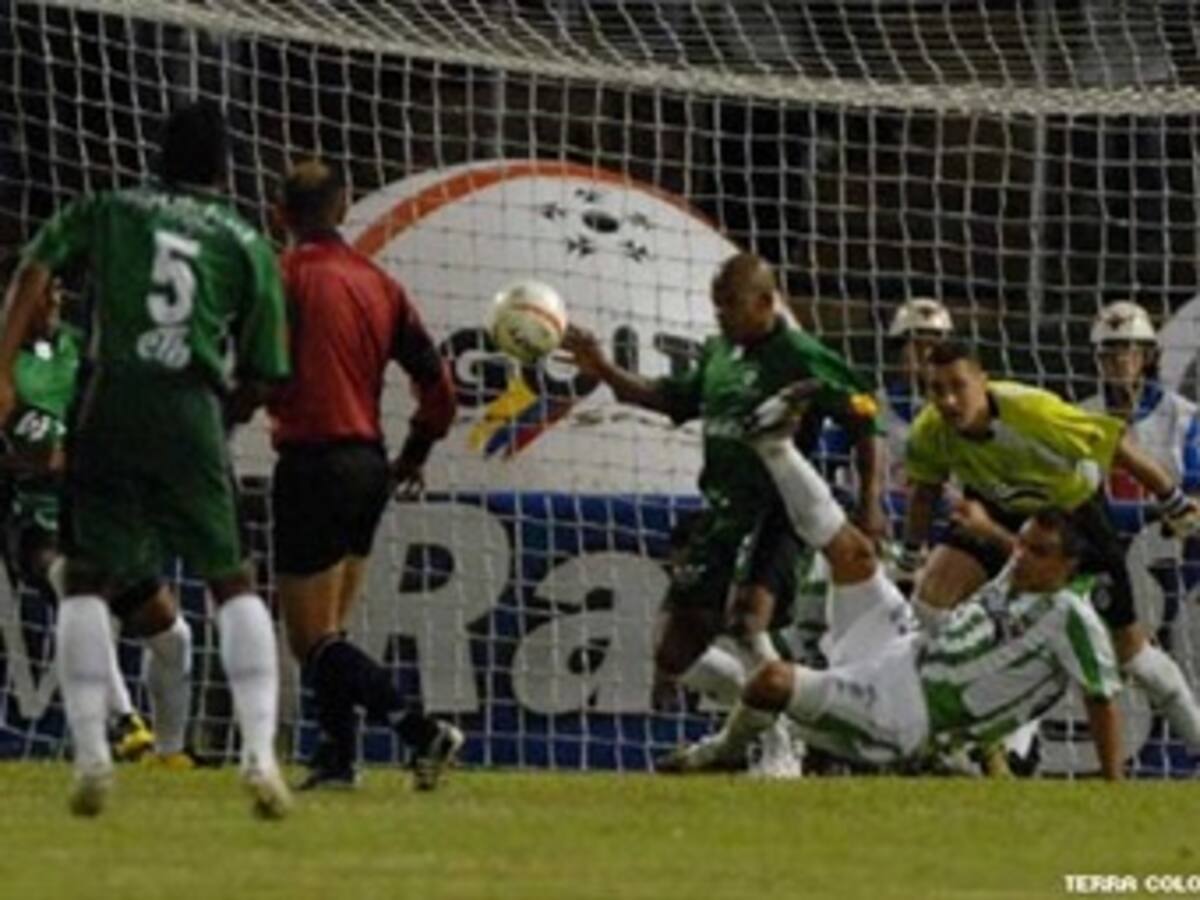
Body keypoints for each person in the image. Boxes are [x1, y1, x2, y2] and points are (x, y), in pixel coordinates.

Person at [0, 101, 292, 817]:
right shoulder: (245, 241)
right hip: (189, 405)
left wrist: (1, 364)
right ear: (224, 168)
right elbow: (266, 370)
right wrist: (225, 411)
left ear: (157, 155)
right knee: (233, 582)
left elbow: (36, 265)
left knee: (87, 581)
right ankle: (258, 756)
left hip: (110, 399)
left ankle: (94, 756)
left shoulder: (109, 209)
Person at [564, 252, 885, 776]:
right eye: (716, 306)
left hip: (775, 509)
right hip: (720, 512)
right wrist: (602, 368)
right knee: (674, 654)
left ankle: (780, 746)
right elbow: (668, 401)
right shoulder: (718, 353)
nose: (720, 315)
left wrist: (870, 502)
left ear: (764, 301)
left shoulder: (801, 354)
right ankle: (771, 726)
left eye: (730, 305)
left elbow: (864, 421)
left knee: (745, 621)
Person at [660, 432, 1123, 779]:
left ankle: (724, 751)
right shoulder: (1018, 576)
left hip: (906, 710)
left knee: (770, 681)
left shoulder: (1069, 616)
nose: (1020, 557)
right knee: (855, 553)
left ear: (1069, 564)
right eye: (1022, 545)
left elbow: (1100, 698)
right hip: (903, 647)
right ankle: (775, 446)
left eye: (1037, 551)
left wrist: (1113, 781)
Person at [897, 341, 1200, 753]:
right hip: (996, 505)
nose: (948, 400)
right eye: (936, 389)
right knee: (928, 602)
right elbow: (925, 492)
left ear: (983, 382)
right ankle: (937, 735)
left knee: (1131, 656)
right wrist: (910, 556)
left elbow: (1115, 448)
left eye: (958, 386)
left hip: (1074, 514)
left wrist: (1174, 500)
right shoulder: (928, 432)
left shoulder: (1034, 412)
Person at [268, 159, 463, 791]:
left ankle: (419, 730)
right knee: (332, 634)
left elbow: (257, 367)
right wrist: (412, 457)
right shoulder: (380, 284)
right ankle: (337, 760)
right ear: (344, 209)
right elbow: (440, 392)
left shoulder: (283, 277)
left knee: (310, 641)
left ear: (280, 216)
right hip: (369, 467)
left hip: (312, 463)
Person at [0, 276, 192, 767]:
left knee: (173, 636)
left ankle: (170, 754)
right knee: (74, 584)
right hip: (36, 521)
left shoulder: (81, 352)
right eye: (45, 293)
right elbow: (36, 456)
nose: (56, 301)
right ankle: (126, 721)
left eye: (59, 291)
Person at [1082, 300, 1200, 497]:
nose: (1119, 359)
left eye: (1128, 348)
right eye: (1109, 351)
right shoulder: (1083, 416)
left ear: (1148, 356)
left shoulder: (1185, 417)